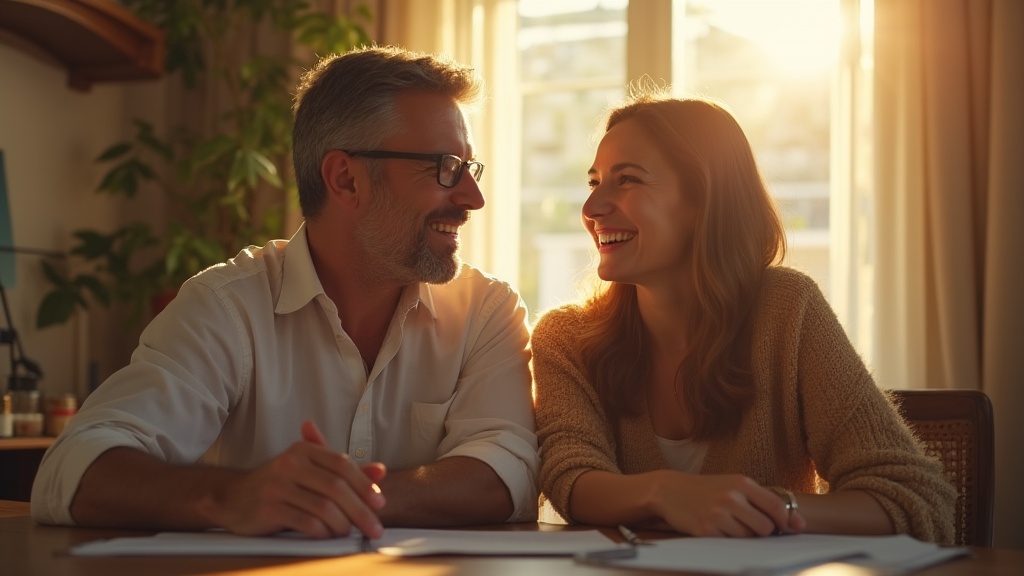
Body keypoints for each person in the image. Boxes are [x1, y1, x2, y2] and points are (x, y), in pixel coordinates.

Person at [31, 45, 539, 539]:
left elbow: (507, 469)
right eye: (445, 167)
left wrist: (343, 496)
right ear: (346, 179)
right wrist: (231, 497)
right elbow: (73, 468)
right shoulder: (228, 307)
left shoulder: (485, 310)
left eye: (469, 168)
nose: (473, 198)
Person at [530, 87, 955, 543]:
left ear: (703, 200)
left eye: (627, 180)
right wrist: (666, 493)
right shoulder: (565, 338)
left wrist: (767, 508)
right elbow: (572, 478)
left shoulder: (788, 310)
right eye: (594, 182)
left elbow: (916, 498)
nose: (592, 209)